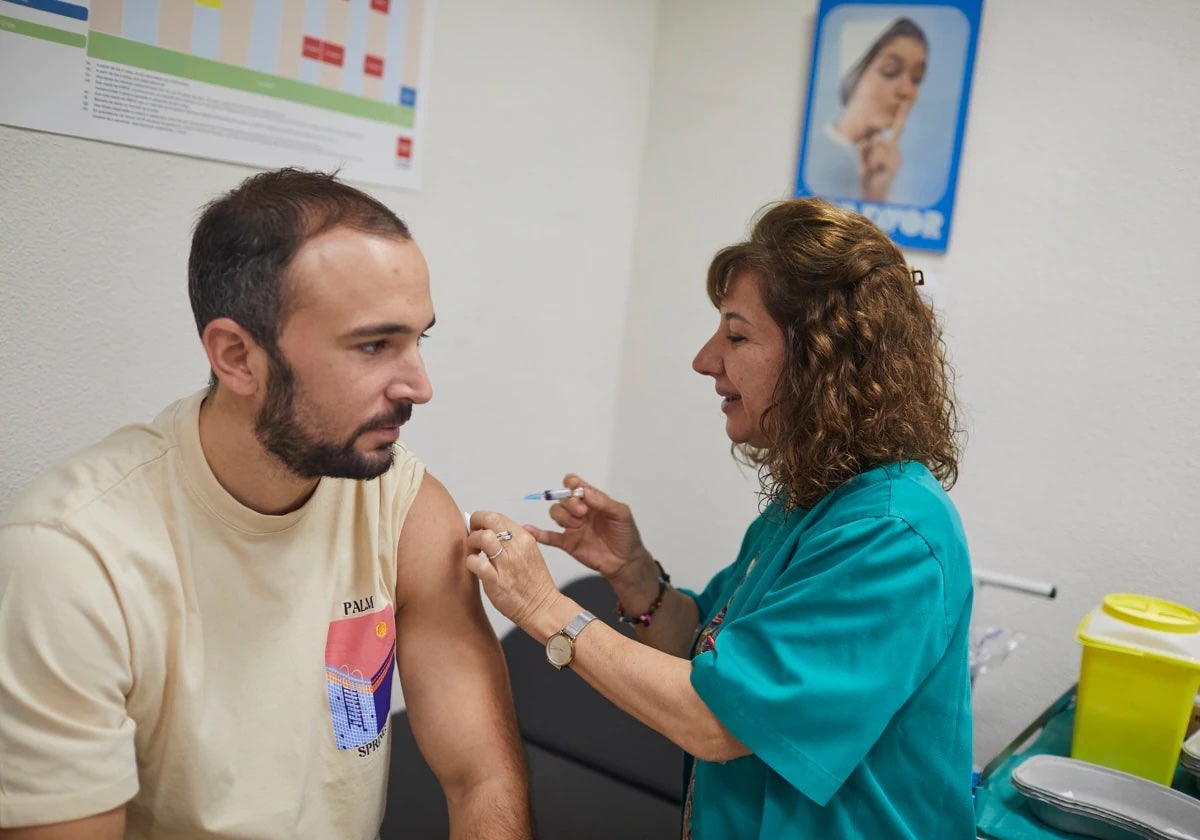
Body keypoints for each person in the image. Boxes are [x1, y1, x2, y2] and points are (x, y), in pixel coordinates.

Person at [0, 169, 532, 839]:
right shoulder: (69, 558)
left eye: (416, 340)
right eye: (374, 345)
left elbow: (481, 778)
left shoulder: (402, 506)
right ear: (237, 357)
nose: (419, 386)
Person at [465, 198, 974, 838]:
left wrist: (542, 607)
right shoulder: (809, 504)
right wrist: (634, 574)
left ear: (822, 359)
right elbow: (707, 653)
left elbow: (717, 720)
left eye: (736, 335)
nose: (705, 359)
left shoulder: (890, 537)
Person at [804, 17, 928, 203]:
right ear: (855, 75)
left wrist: (876, 192)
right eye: (890, 70)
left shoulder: (895, 172)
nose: (906, 90)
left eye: (916, 78)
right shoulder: (815, 156)